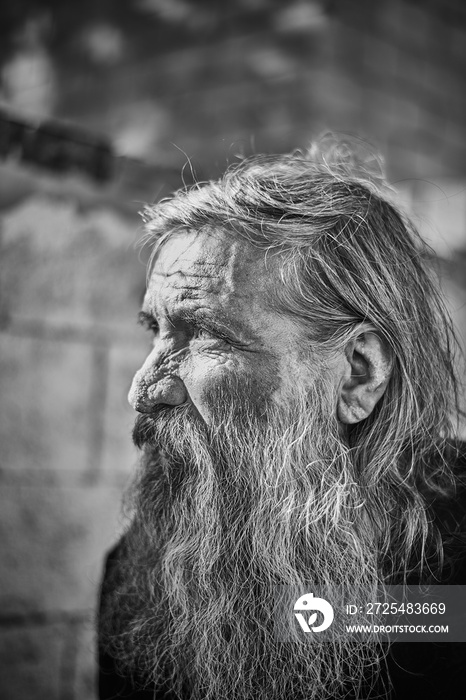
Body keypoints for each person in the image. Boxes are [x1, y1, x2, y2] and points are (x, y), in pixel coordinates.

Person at [98, 137, 466, 700]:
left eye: (210, 336)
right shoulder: (139, 573)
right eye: (156, 330)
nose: (143, 390)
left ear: (359, 375)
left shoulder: (448, 586)